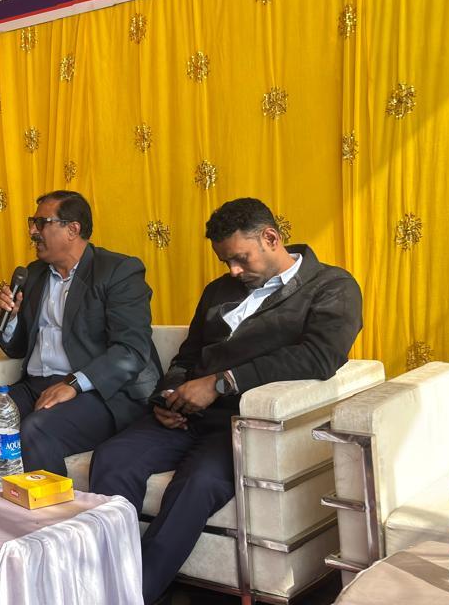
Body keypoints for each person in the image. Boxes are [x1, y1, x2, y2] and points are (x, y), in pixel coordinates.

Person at [88, 197, 364, 604]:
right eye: (227, 261)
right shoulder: (219, 290)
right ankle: (102, 579)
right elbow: (188, 355)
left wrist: (221, 383)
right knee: (113, 457)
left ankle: (130, 595)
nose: (233, 270)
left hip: (241, 424)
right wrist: (168, 395)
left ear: (271, 238)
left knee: (196, 485)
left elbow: (319, 357)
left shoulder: (331, 286)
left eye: (240, 258)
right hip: (185, 414)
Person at [0, 190, 160, 475]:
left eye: (41, 223)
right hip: (36, 386)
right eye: (32, 223)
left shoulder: (117, 271)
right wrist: (9, 319)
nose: (33, 231)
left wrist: (74, 383)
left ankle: (48, 505)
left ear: (73, 229)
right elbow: (17, 348)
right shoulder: (34, 274)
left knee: (36, 429)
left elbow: (131, 350)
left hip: (98, 392)